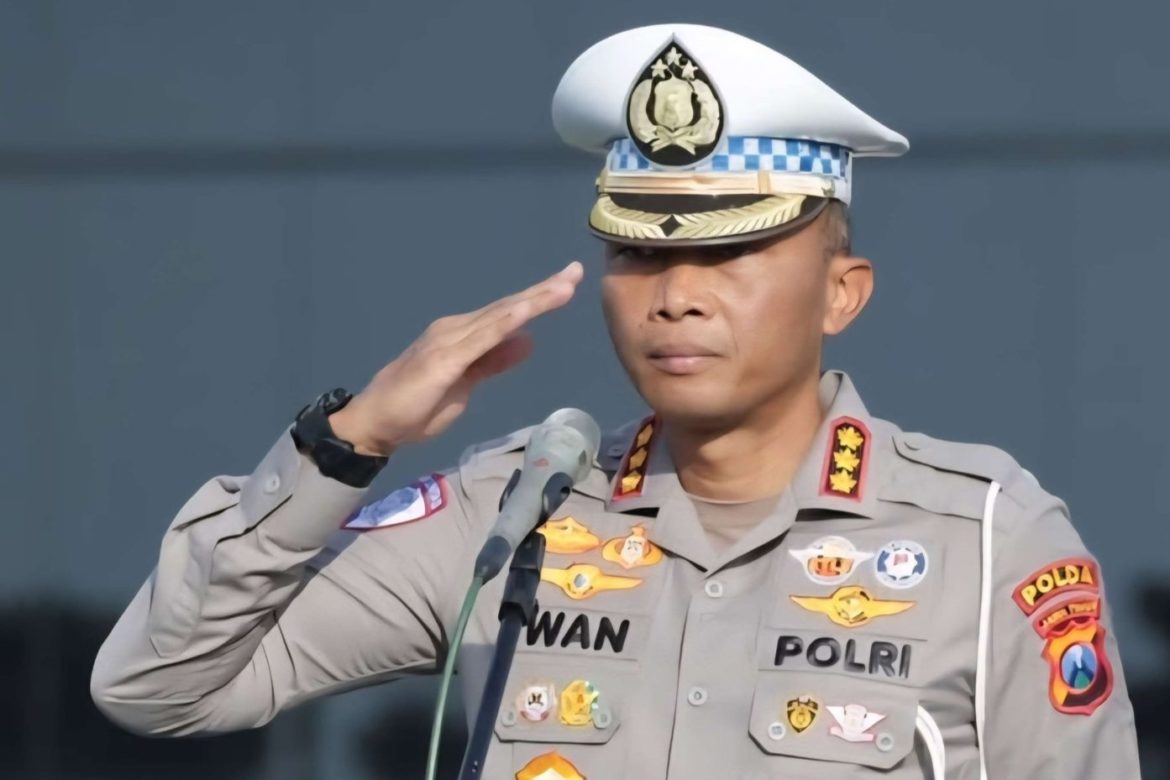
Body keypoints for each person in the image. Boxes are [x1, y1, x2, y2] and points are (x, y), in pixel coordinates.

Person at [91, 23, 1141, 779]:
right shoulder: (518, 513)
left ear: (841, 293)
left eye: (729, 253)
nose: (676, 294)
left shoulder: (983, 535)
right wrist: (347, 440)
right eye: (638, 252)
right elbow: (160, 688)